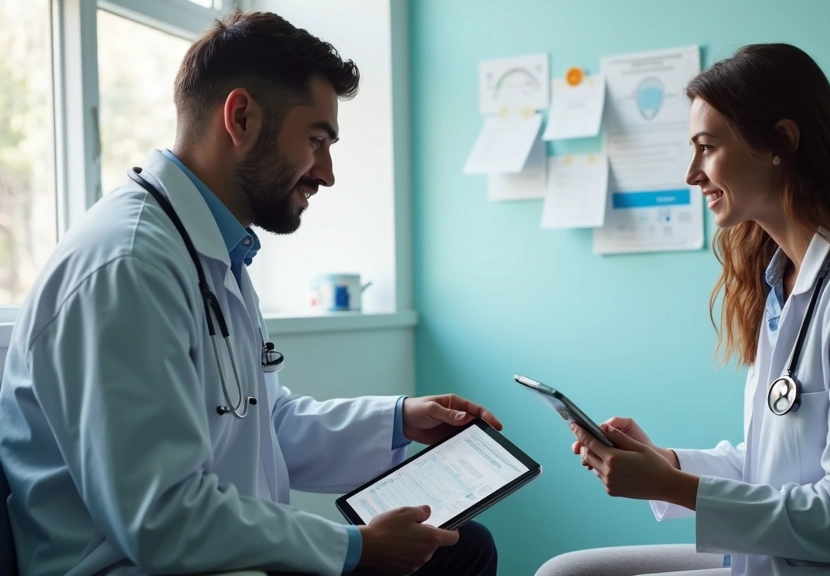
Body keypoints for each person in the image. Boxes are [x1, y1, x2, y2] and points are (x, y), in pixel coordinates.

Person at [0, 9, 498, 576]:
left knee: (462, 544)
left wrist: (399, 419)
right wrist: (353, 548)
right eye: (316, 140)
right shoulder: (129, 267)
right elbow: (159, 518)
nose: (327, 173)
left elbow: (262, 428)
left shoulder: (210, 249)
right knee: (455, 554)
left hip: (209, 557)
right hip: (135, 565)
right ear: (240, 118)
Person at [539, 43, 830, 576]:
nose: (692, 173)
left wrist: (673, 487)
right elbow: (776, 467)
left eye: (706, 147)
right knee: (567, 572)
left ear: (781, 142)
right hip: (792, 558)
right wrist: (666, 464)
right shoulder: (783, 279)